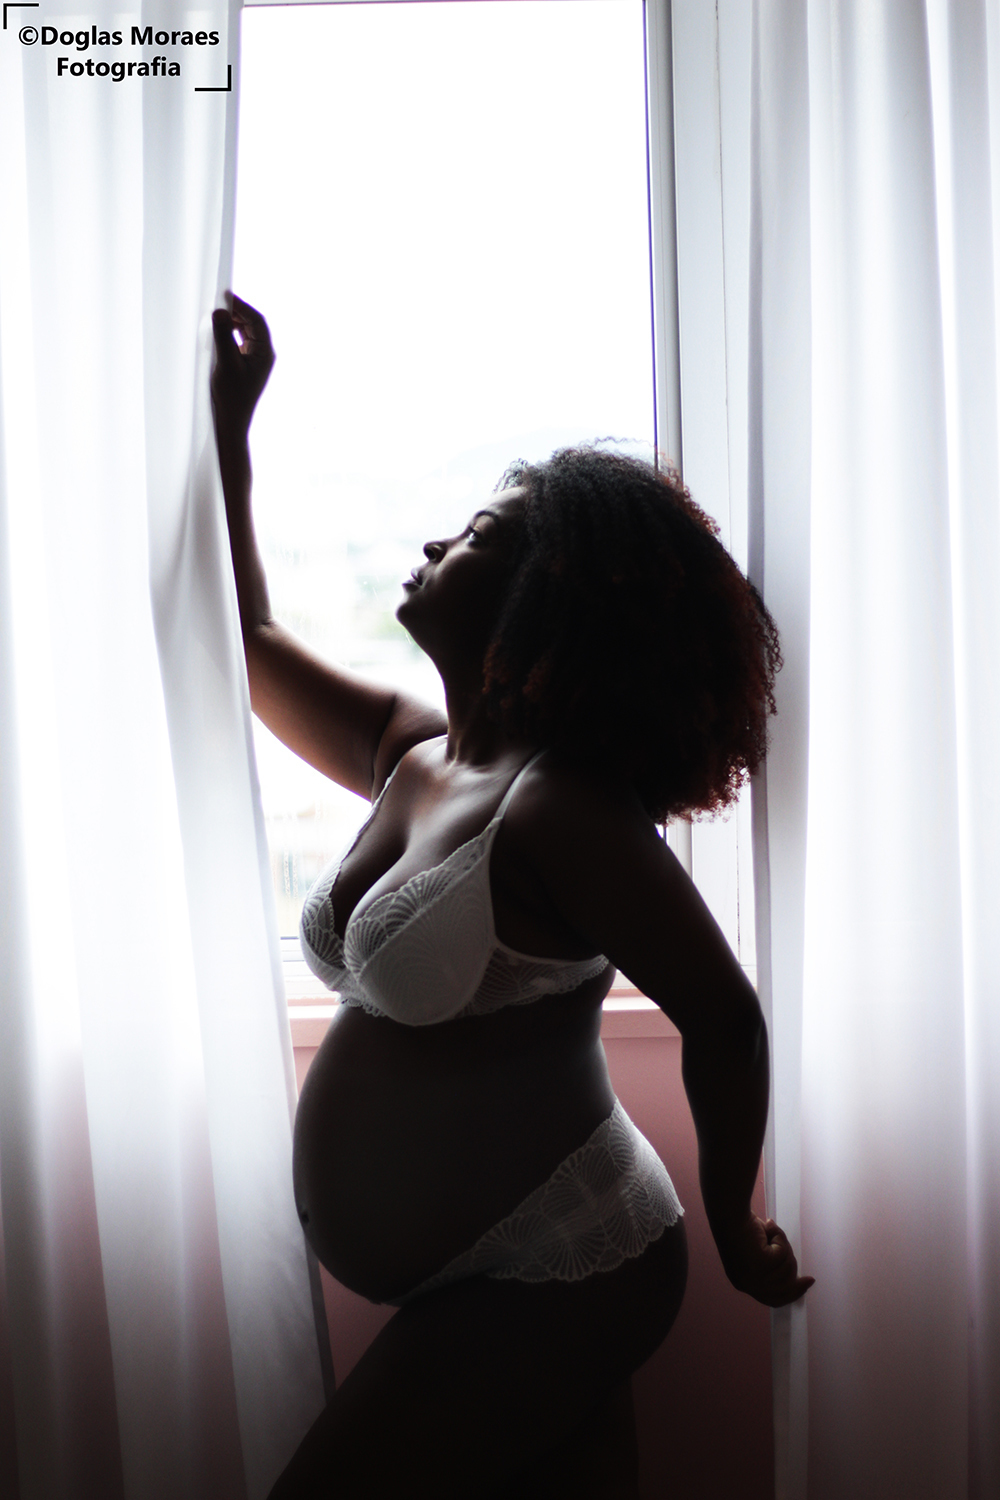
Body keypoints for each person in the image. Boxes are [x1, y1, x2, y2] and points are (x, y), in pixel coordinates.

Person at [211, 292, 813, 1499]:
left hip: (562, 1261)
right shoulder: (413, 750)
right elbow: (252, 639)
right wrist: (230, 433)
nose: (437, 544)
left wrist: (735, 1224)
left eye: (477, 536)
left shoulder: (560, 811)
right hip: (486, 1272)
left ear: (544, 602)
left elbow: (724, 1015)